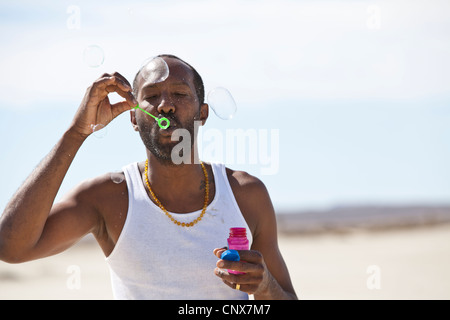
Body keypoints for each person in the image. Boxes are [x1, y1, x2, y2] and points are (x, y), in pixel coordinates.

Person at [0, 54, 297, 300]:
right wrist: (77, 133)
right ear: (133, 117)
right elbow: (11, 248)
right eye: (152, 96)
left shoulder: (246, 194)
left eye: (180, 94)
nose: (165, 105)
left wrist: (266, 287)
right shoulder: (107, 197)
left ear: (202, 113)